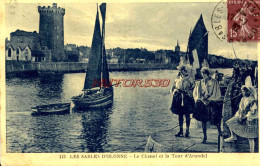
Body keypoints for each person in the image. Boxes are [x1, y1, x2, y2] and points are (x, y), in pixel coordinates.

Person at [224, 77, 258, 146]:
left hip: (249, 118)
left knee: (250, 136)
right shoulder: (243, 98)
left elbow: (252, 112)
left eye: (245, 91)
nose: (243, 92)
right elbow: (240, 109)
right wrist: (239, 116)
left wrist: (244, 117)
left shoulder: (251, 100)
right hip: (241, 115)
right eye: (242, 91)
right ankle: (233, 136)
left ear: (249, 91)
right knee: (230, 122)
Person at [193, 67, 222, 143]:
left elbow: (216, 93)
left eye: (205, 74)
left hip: (212, 101)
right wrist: (201, 99)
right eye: (202, 74)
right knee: (203, 120)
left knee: (215, 119)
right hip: (203, 102)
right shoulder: (200, 82)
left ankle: (220, 133)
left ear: (208, 74)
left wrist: (210, 99)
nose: (203, 75)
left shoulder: (214, 82)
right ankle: (204, 137)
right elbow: (197, 93)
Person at [170, 65, 195, 138]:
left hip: (187, 98)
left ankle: (187, 131)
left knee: (187, 115)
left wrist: (189, 91)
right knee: (180, 115)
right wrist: (175, 91)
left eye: (182, 71)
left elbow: (194, 88)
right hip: (179, 98)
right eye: (180, 71)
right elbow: (173, 87)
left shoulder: (190, 79)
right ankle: (181, 131)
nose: (181, 72)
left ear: (185, 71)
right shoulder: (177, 79)